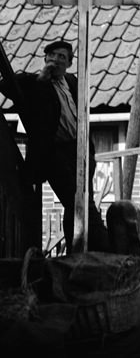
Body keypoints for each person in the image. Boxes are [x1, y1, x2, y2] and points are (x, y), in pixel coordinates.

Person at [0, 39, 109, 253]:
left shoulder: (72, 81)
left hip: (79, 148)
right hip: (55, 152)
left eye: (62, 57)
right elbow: (6, 86)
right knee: (76, 199)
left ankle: (75, 252)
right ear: (45, 59)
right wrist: (41, 78)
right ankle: (106, 246)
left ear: (69, 63)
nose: (57, 60)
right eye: (52, 55)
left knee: (78, 202)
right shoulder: (34, 83)